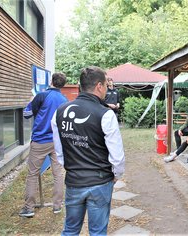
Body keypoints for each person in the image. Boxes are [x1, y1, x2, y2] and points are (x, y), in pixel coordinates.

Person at [51, 66, 125, 235]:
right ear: (99, 86)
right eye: (106, 85)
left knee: (70, 229)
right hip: (100, 181)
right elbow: (117, 155)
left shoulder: (59, 112)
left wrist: (71, 168)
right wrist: (117, 174)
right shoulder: (105, 114)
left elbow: (59, 149)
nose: (107, 89)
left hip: (74, 180)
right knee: (97, 232)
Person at [19, 73, 68, 218]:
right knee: (58, 173)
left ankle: (29, 208)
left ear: (51, 81)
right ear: (63, 84)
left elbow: (27, 114)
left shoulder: (41, 96)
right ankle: (57, 206)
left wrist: (30, 101)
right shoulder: (65, 100)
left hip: (40, 140)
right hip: (57, 142)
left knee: (33, 174)